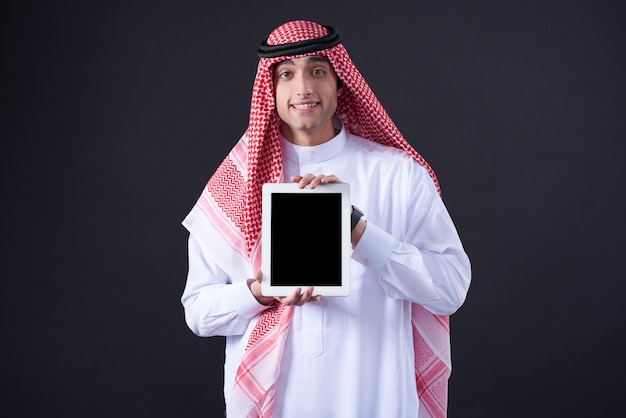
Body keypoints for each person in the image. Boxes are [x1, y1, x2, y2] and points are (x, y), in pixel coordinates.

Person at [181, 20, 471, 418]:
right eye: (286, 74)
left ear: (339, 84)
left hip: (377, 398)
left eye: (318, 71)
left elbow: (451, 288)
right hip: (278, 405)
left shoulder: (399, 174)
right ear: (271, 89)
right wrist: (260, 292)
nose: (303, 88)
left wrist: (358, 232)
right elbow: (198, 311)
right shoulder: (234, 185)